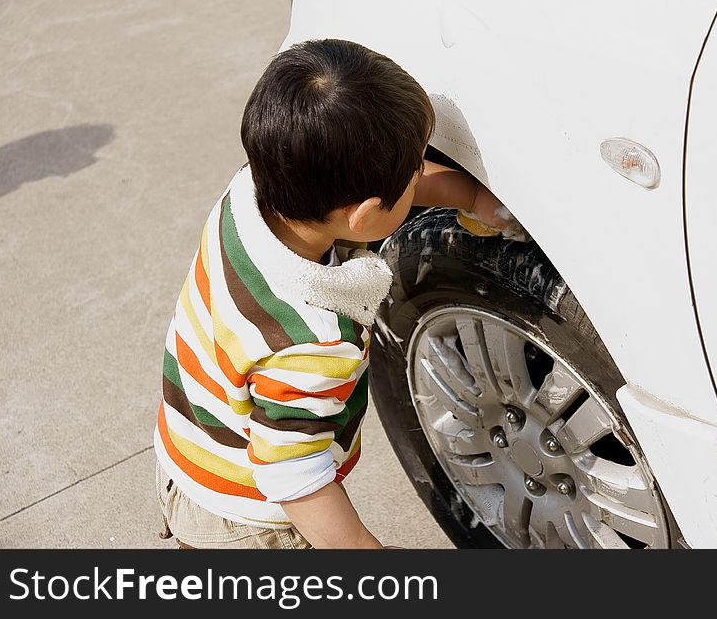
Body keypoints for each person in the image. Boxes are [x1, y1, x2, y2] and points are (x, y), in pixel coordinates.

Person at [154, 38, 508, 549]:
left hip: (193, 443)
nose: (419, 179)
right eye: (413, 175)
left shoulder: (252, 191)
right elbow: (296, 480)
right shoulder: (315, 343)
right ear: (362, 215)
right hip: (247, 518)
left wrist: (468, 195)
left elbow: (373, 196)